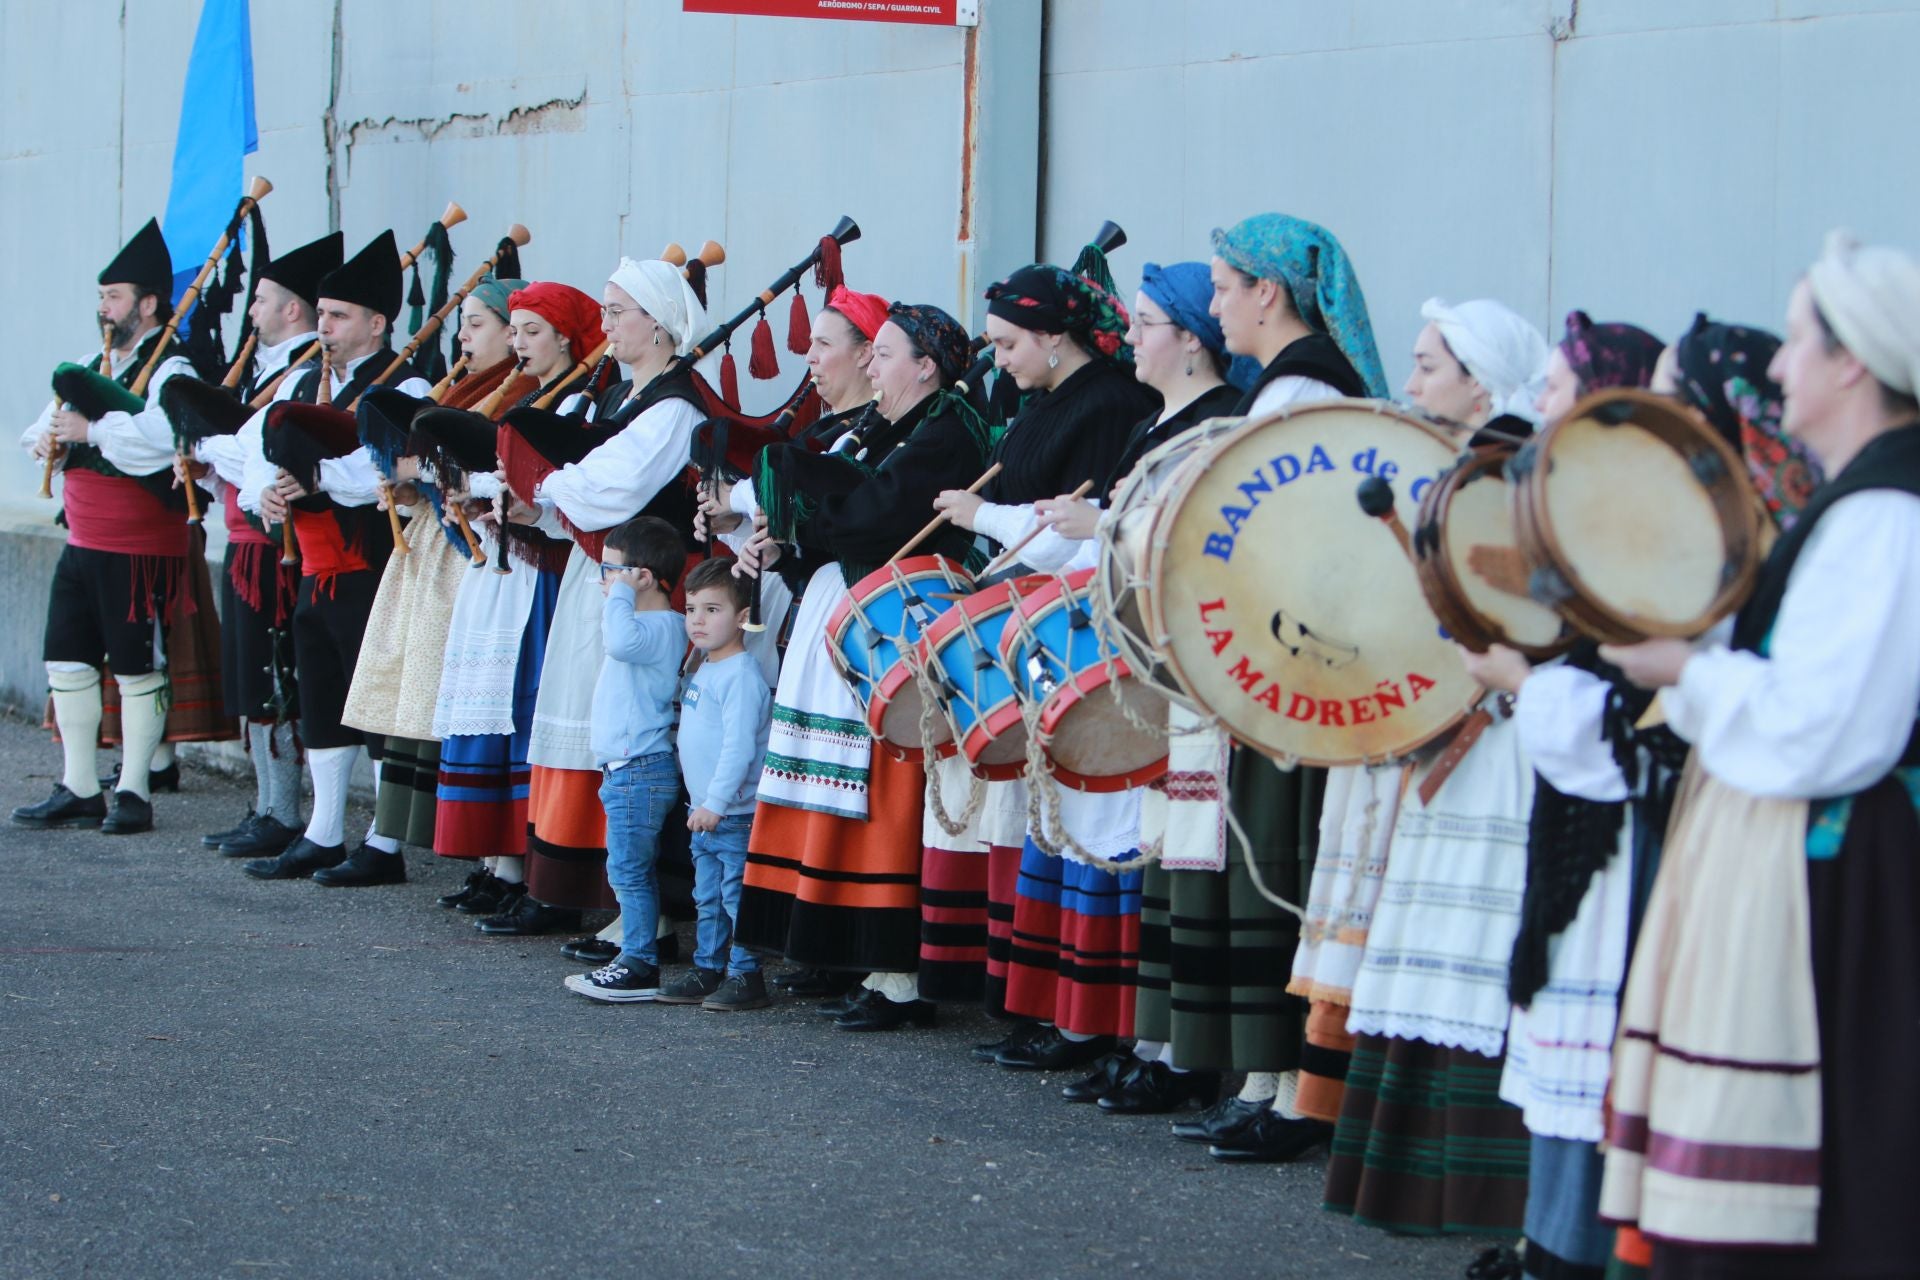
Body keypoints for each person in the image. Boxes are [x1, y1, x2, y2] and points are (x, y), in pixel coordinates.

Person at [1598, 232, 1920, 1279]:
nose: (1776, 369)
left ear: (1853, 362)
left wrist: (1689, 668)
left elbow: (1824, 731)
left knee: (1832, 1170)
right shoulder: (1860, 502)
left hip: (1837, 875)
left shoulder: (1884, 516)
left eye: (1794, 342)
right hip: (1798, 859)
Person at [1324, 312, 1662, 1238]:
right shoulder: (1504, 465)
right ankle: (1458, 1193)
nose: (1540, 403)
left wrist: (1512, 675)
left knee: (1500, 952)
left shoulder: (1531, 473)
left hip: (1529, 745)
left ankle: (1520, 1208)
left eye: (1555, 389)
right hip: (1493, 726)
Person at [1144, 214, 1385, 1164]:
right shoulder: (1287, 384)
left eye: (1221, 285)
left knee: (1274, 862)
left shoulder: (1299, 388)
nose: (1211, 305)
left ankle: (1289, 1088)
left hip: (1293, 656)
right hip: (1284, 649)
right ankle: (1262, 1080)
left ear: (1266, 293)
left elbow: (1268, 535)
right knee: (1262, 857)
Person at [1283, 297, 1548, 1142]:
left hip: (1466, 734)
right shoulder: (1446, 463)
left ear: (1481, 386)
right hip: (1408, 721)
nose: (1407, 382)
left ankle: (1392, 1121)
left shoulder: (1503, 475)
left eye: (1428, 365)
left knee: (1442, 928)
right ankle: (1336, 1103)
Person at [1022, 261, 1246, 1114]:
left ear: (1190, 338)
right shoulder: (1162, 419)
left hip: (1184, 661)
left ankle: (1180, 1054)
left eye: (1146, 322)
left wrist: (1104, 524)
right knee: (1155, 844)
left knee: (1179, 848)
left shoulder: (1225, 422)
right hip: (1140, 655)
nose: (1131, 336)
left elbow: (1207, 538)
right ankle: (1148, 1040)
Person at [734, 299, 990, 1032]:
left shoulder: (947, 432)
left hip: (896, 620)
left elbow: (879, 517)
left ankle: (896, 971)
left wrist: (802, 500)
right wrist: (783, 538)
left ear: (926, 366)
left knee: (883, 782)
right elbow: (841, 512)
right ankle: (833, 947)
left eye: (882, 353)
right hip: (846, 609)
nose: (870, 366)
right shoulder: (881, 427)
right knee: (831, 775)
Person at [929, 255, 1159, 1054]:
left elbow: (1075, 529)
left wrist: (985, 515)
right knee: (1047, 813)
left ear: (1052, 337)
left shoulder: (1110, 406)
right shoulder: (1049, 401)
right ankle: (1050, 1006)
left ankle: (1085, 1017)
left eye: (1007, 343)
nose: (998, 359)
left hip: (1084, 624)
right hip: (1043, 619)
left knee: (1087, 812)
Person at [489, 256, 708, 943]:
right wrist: (542, 505)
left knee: (639, 741)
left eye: (618, 313)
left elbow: (613, 487)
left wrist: (546, 485)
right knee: (601, 730)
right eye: (607, 312)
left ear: (660, 324)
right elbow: (586, 488)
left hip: (645, 590)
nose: (605, 324)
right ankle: (611, 897)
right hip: (603, 571)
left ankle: (653, 912)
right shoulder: (620, 397)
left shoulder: (675, 405)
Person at [706, 286, 902, 1002]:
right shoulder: (831, 433)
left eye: (826, 346)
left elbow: (842, 520)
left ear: (868, 356)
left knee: (844, 771)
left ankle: (843, 942)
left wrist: (780, 529)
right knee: (810, 768)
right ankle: (811, 938)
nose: (810, 359)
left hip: (862, 608)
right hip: (820, 604)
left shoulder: (877, 433)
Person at [238, 230, 434, 882]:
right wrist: (269, 492)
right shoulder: (306, 378)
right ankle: (323, 832)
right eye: (320, 313)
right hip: (314, 567)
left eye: (338, 315)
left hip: (375, 566)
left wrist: (318, 479)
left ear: (377, 323)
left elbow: (393, 470)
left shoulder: (408, 382)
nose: (323, 325)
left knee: (375, 701)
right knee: (320, 696)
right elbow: (260, 448)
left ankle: (385, 844)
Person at [333, 274, 531, 884]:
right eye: (463, 324)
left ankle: (477, 853)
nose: (465, 337)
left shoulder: (521, 393)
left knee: (448, 696)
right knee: (409, 689)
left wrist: (432, 471)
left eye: (478, 324)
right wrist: (405, 481)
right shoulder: (467, 386)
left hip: (474, 556)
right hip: (429, 547)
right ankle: (386, 835)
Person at [14, 218, 196, 836]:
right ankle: (79, 785)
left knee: (136, 667)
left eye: (113, 297)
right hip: (82, 539)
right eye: (100, 297)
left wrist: (90, 432)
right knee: (66, 661)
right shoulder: (93, 363)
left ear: (147, 303)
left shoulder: (172, 367)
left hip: (137, 545)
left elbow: (162, 442)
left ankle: (136, 790)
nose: (103, 308)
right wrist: (49, 442)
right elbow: (41, 426)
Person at [428, 281, 596, 920]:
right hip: (504, 567)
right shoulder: (526, 392)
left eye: (532, 332)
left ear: (564, 337)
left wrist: (521, 509)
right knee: (494, 710)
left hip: (545, 573)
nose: (520, 345)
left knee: (526, 713)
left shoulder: (577, 397)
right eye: (516, 331)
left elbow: (569, 492)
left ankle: (533, 867)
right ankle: (498, 862)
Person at [181, 230, 343, 858]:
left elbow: (251, 449)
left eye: (263, 299)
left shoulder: (303, 372)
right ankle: (269, 805)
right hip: (247, 540)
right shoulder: (275, 368)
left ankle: (284, 811)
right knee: (253, 678)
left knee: (277, 678)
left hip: (275, 547)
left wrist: (202, 444)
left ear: (292, 310)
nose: (251, 310)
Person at [563, 516, 687, 1002]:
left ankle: (639, 962)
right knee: (627, 868)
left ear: (644, 577)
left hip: (640, 767)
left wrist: (619, 595)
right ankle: (637, 953)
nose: (604, 581)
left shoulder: (659, 627)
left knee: (630, 870)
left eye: (612, 571)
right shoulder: (651, 625)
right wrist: (620, 591)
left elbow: (618, 640)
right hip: (626, 767)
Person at [656, 558, 772, 1011]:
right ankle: (709, 967)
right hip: (703, 810)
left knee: (734, 895)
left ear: (742, 617)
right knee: (706, 896)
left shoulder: (742, 676)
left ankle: (746, 975)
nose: (696, 621)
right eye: (690, 610)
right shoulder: (705, 667)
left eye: (711, 610)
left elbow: (739, 749)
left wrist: (717, 803)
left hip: (733, 814)